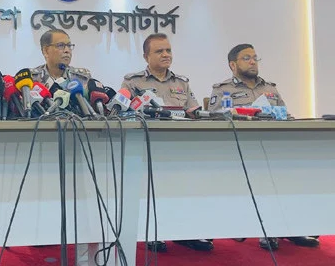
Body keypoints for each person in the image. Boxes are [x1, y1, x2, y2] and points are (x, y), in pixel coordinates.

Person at [210, 43, 319, 251]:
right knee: (262, 174)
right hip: (241, 150)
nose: (253, 62)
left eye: (255, 57)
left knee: (296, 171)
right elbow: (214, 120)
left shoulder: (269, 88)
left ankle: (292, 227)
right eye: (246, 58)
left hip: (273, 148)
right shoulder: (223, 89)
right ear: (233, 65)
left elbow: (285, 116)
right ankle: (267, 230)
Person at [121, 33, 211, 253]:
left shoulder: (181, 82)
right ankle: (153, 233)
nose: (166, 54)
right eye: (159, 51)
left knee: (184, 190)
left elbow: (193, 111)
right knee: (151, 190)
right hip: (147, 145)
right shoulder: (133, 82)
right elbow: (123, 112)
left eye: (168, 50)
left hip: (180, 146)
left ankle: (185, 234)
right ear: (146, 56)